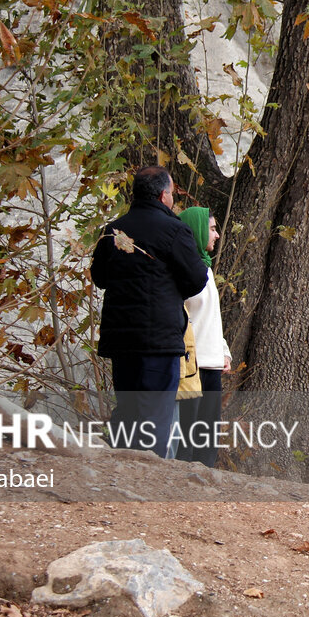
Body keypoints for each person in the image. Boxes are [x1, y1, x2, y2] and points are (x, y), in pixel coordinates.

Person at [90, 166, 209, 457]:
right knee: (156, 417)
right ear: (162, 195)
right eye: (171, 193)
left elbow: (100, 278)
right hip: (159, 339)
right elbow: (197, 279)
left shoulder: (114, 231)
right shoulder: (174, 230)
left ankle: (122, 477)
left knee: (129, 412)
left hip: (121, 339)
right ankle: (153, 486)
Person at [174, 207, 231, 467]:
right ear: (195, 230)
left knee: (207, 435)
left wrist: (223, 350)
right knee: (187, 435)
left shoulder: (205, 270)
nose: (217, 235)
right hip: (190, 366)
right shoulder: (182, 272)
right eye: (211, 229)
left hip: (211, 363)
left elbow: (211, 317)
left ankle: (205, 489)